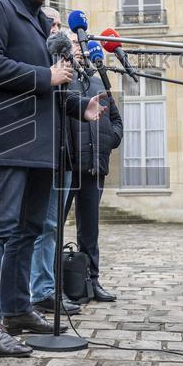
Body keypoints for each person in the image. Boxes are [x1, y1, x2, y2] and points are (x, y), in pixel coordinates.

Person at [0, 0, 107, 356]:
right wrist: (45, 74)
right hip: (11, 141)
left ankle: (16, 309)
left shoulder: (42, 21)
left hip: (45, 146)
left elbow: (54, 87)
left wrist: (80, 106)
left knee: (28, 230)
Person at [28, 9, 81, 317]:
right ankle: (38, 290)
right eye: (52, 23)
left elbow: (65, 103)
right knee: (36, 228)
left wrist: (83, 106)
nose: (58, 29)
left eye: (60, 24)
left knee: (52, 228)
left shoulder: (65, 62)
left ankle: (46, 289)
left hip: (63, 156)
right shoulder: (37, 61)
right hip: (39, 155)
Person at [65, 37, 123, 302]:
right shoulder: (63, 79)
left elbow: (116, 119)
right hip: (67, 166)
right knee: (52, 228)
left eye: (83, 45)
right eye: (75, 44)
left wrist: (110, 139)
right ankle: (52, 285)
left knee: (90, 230)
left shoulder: (99, 81)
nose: (80, 48)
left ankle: (91, 281)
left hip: (94, 166)